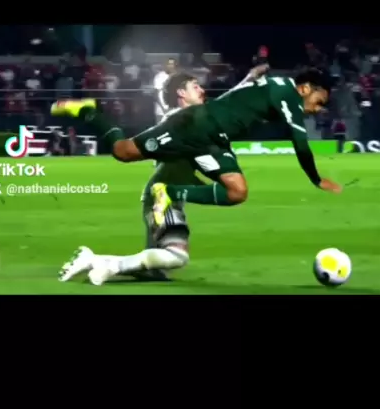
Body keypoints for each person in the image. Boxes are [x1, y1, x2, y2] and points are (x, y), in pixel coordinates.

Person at [51, 65, 342, 228]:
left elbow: (238, 96)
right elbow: (299, 142)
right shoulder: (288, 94)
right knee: (123, 152)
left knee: (237, 192)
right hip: (196, 126)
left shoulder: (276, 86)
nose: (317, 109)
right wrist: (316, 179)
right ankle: (90, 111)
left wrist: (248, 78)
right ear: (305, 88)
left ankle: (169, 192)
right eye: (319, 102)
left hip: (215, 137)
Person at [58, 64, 270, 286]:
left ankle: (102, 263)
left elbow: (219, 107)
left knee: (154, 269)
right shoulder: (179, 123)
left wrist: (247, 79)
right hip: (161, 199)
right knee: (176, 257)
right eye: (195, 86)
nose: (202, 90)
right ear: (181, 93)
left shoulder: (194, 120)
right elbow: (126, 150)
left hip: (164, 197)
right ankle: (98, 261)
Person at [153, 57, 178, 122]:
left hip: (175, 111)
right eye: (169, 64)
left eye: (172, 64)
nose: (171, 66)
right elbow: (155, 94)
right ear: (165, 65)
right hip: (161, 112)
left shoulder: (178, 76)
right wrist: (164, 109)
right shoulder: (159, 76)